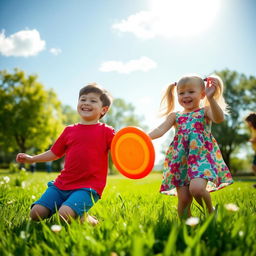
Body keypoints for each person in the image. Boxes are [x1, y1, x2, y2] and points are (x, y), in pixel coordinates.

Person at [16, 83, 115, 224]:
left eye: (93, 101)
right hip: (62, 184)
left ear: (103, 110)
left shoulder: (107, 132)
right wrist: (32, 159)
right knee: (35, 214)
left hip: (88, 187)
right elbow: (54, 153)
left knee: (64, 215)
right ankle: (74, 211)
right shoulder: (69, 131)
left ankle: (91, 221)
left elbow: (121, 150)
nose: (86, 103)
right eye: (83, 99)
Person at [148, 75, 233, 218]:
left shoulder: (204, 111)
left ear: (202, 94)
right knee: (184, 199)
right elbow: (160, 130)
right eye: (181, 93)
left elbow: (219, 118)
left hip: (201, 157)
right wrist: (143, 137)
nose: (186, 96)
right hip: (180, 160)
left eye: (191, 92)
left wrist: (211, 99)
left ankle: (210, 212)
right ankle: (186, 228)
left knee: (197, 189)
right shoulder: (175, 116)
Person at [245, 113, 256, 186]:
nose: (247, 124)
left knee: (254, 166)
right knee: (254, 167)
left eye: (248, 122)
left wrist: (253, 140)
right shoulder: (253, 129)